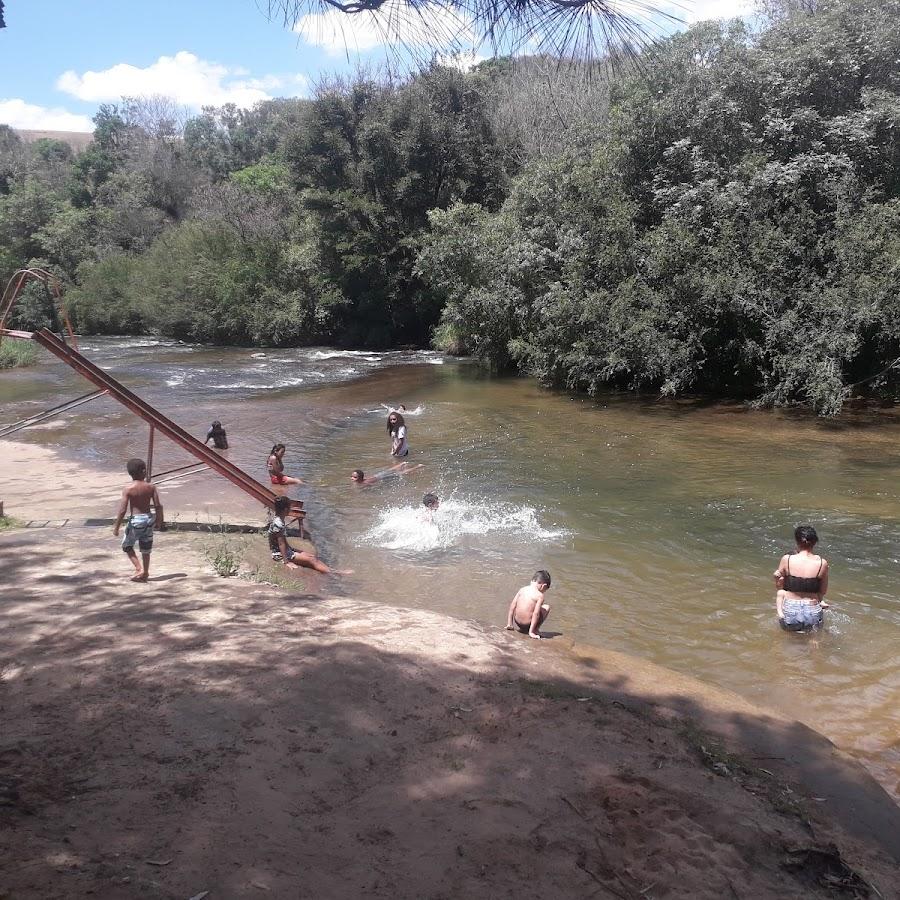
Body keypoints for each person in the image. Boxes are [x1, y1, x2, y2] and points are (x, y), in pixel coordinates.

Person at [267, 496, 351, 575]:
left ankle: (331, 570)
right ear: (285, 509)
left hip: (285, 551)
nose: (290, 509)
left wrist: (292, 549)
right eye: (290, 507)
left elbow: (282, 542)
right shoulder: (278, 524)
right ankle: (335, 573)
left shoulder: (279, 520)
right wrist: (287, 562)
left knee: (312, 556)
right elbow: (281, 543)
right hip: (279, 554)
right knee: (312, 560)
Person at [113, 458, 164, 583]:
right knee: (146, 547)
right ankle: (145, 572)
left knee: (126, 545)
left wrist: (116, 527)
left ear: (130, 473)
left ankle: (138, 568)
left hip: (136, 520)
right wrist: (159, 521)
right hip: (148, 519)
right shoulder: (151, 487)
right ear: (144, 471)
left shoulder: (128, 489)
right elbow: (158, 506)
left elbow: (122, 510)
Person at [773, 525, 830, 631]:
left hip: (791, 608)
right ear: (814, 542)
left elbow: (779, 587)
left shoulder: (787, 559)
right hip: (812, 609)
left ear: (797, 541)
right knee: (814, 640)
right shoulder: (822, 563)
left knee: (790, 641)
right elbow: (823, 591)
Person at [505, 570, 552, 639]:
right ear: (543, 586)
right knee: (546, 607)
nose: (543, 592)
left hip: (517, 622)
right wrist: (531, 632)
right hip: (527, 624)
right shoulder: (540, 596)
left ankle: (510, 625)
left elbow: (512, 605)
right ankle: (535, 629)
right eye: (545, 590)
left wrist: (510, 623)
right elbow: (536, 614)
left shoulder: (522, 589)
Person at [350, 462, 423, 486]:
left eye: (355, 477)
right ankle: (402, 464)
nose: (352, 478)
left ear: (360, 478)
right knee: (389, 470)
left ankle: (418, 466)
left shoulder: (364, 483)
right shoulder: (363, 480)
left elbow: (373, 485)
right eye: (352, 476)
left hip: (381, 477)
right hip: (377, 475)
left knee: (401, 473)